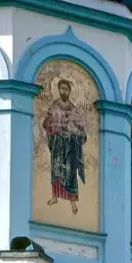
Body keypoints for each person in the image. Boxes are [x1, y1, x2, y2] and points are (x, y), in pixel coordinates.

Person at [41, 75, 89, 214]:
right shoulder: (54, 107)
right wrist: (54, 127)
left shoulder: (74, 110)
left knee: (70, 173)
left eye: (66, 89)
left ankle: (73, 203)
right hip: (57, 144)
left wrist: (76, 133)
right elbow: (46, 123)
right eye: (62, 89)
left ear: (69, 92)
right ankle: (55, 196)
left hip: (70, 146)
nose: (64, 92)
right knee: (56, 170)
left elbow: (80, 128)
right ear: (59, 90)